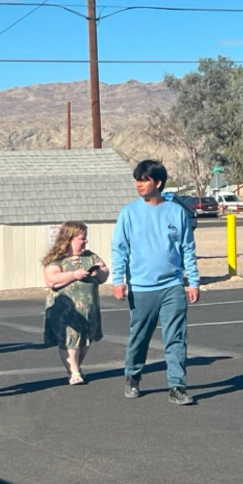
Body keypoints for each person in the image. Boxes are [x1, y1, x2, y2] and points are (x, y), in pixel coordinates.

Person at [111, 160, 201, 405]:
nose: (139, 185)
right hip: (141, 288)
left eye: (144, 180)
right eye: (137, 180)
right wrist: (118, 280)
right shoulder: (129, 213)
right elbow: (120, 249)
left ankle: (177, 386)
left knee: (176, 337)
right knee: (139, 337)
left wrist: (193, 282)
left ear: (158, 183)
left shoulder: (176, 212)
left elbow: (187, 249)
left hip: (172, 285)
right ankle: (133, 375)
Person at [42, 221, 109, 385]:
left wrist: (99, 272)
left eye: (85, 238)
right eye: (82, 238)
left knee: (85, 339)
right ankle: (74, 372)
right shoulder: (57, 259)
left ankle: (75, 367)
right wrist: (74, 275)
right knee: (69, 340)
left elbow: (104, 273)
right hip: (66, 310)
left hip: (88, 308)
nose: (85, 241)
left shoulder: (91, 256)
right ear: (69, 239)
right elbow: (52, 279)